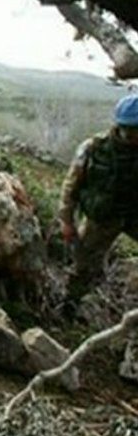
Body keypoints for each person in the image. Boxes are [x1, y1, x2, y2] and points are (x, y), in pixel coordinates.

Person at [58, 93, 138, 301]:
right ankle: (70, 307)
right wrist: (66, 221)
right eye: (130, 129)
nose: (133, 135)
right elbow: (70, 187)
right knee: (83, 266)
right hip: (102, 217)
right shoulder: (93, 148)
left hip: (134, 214)